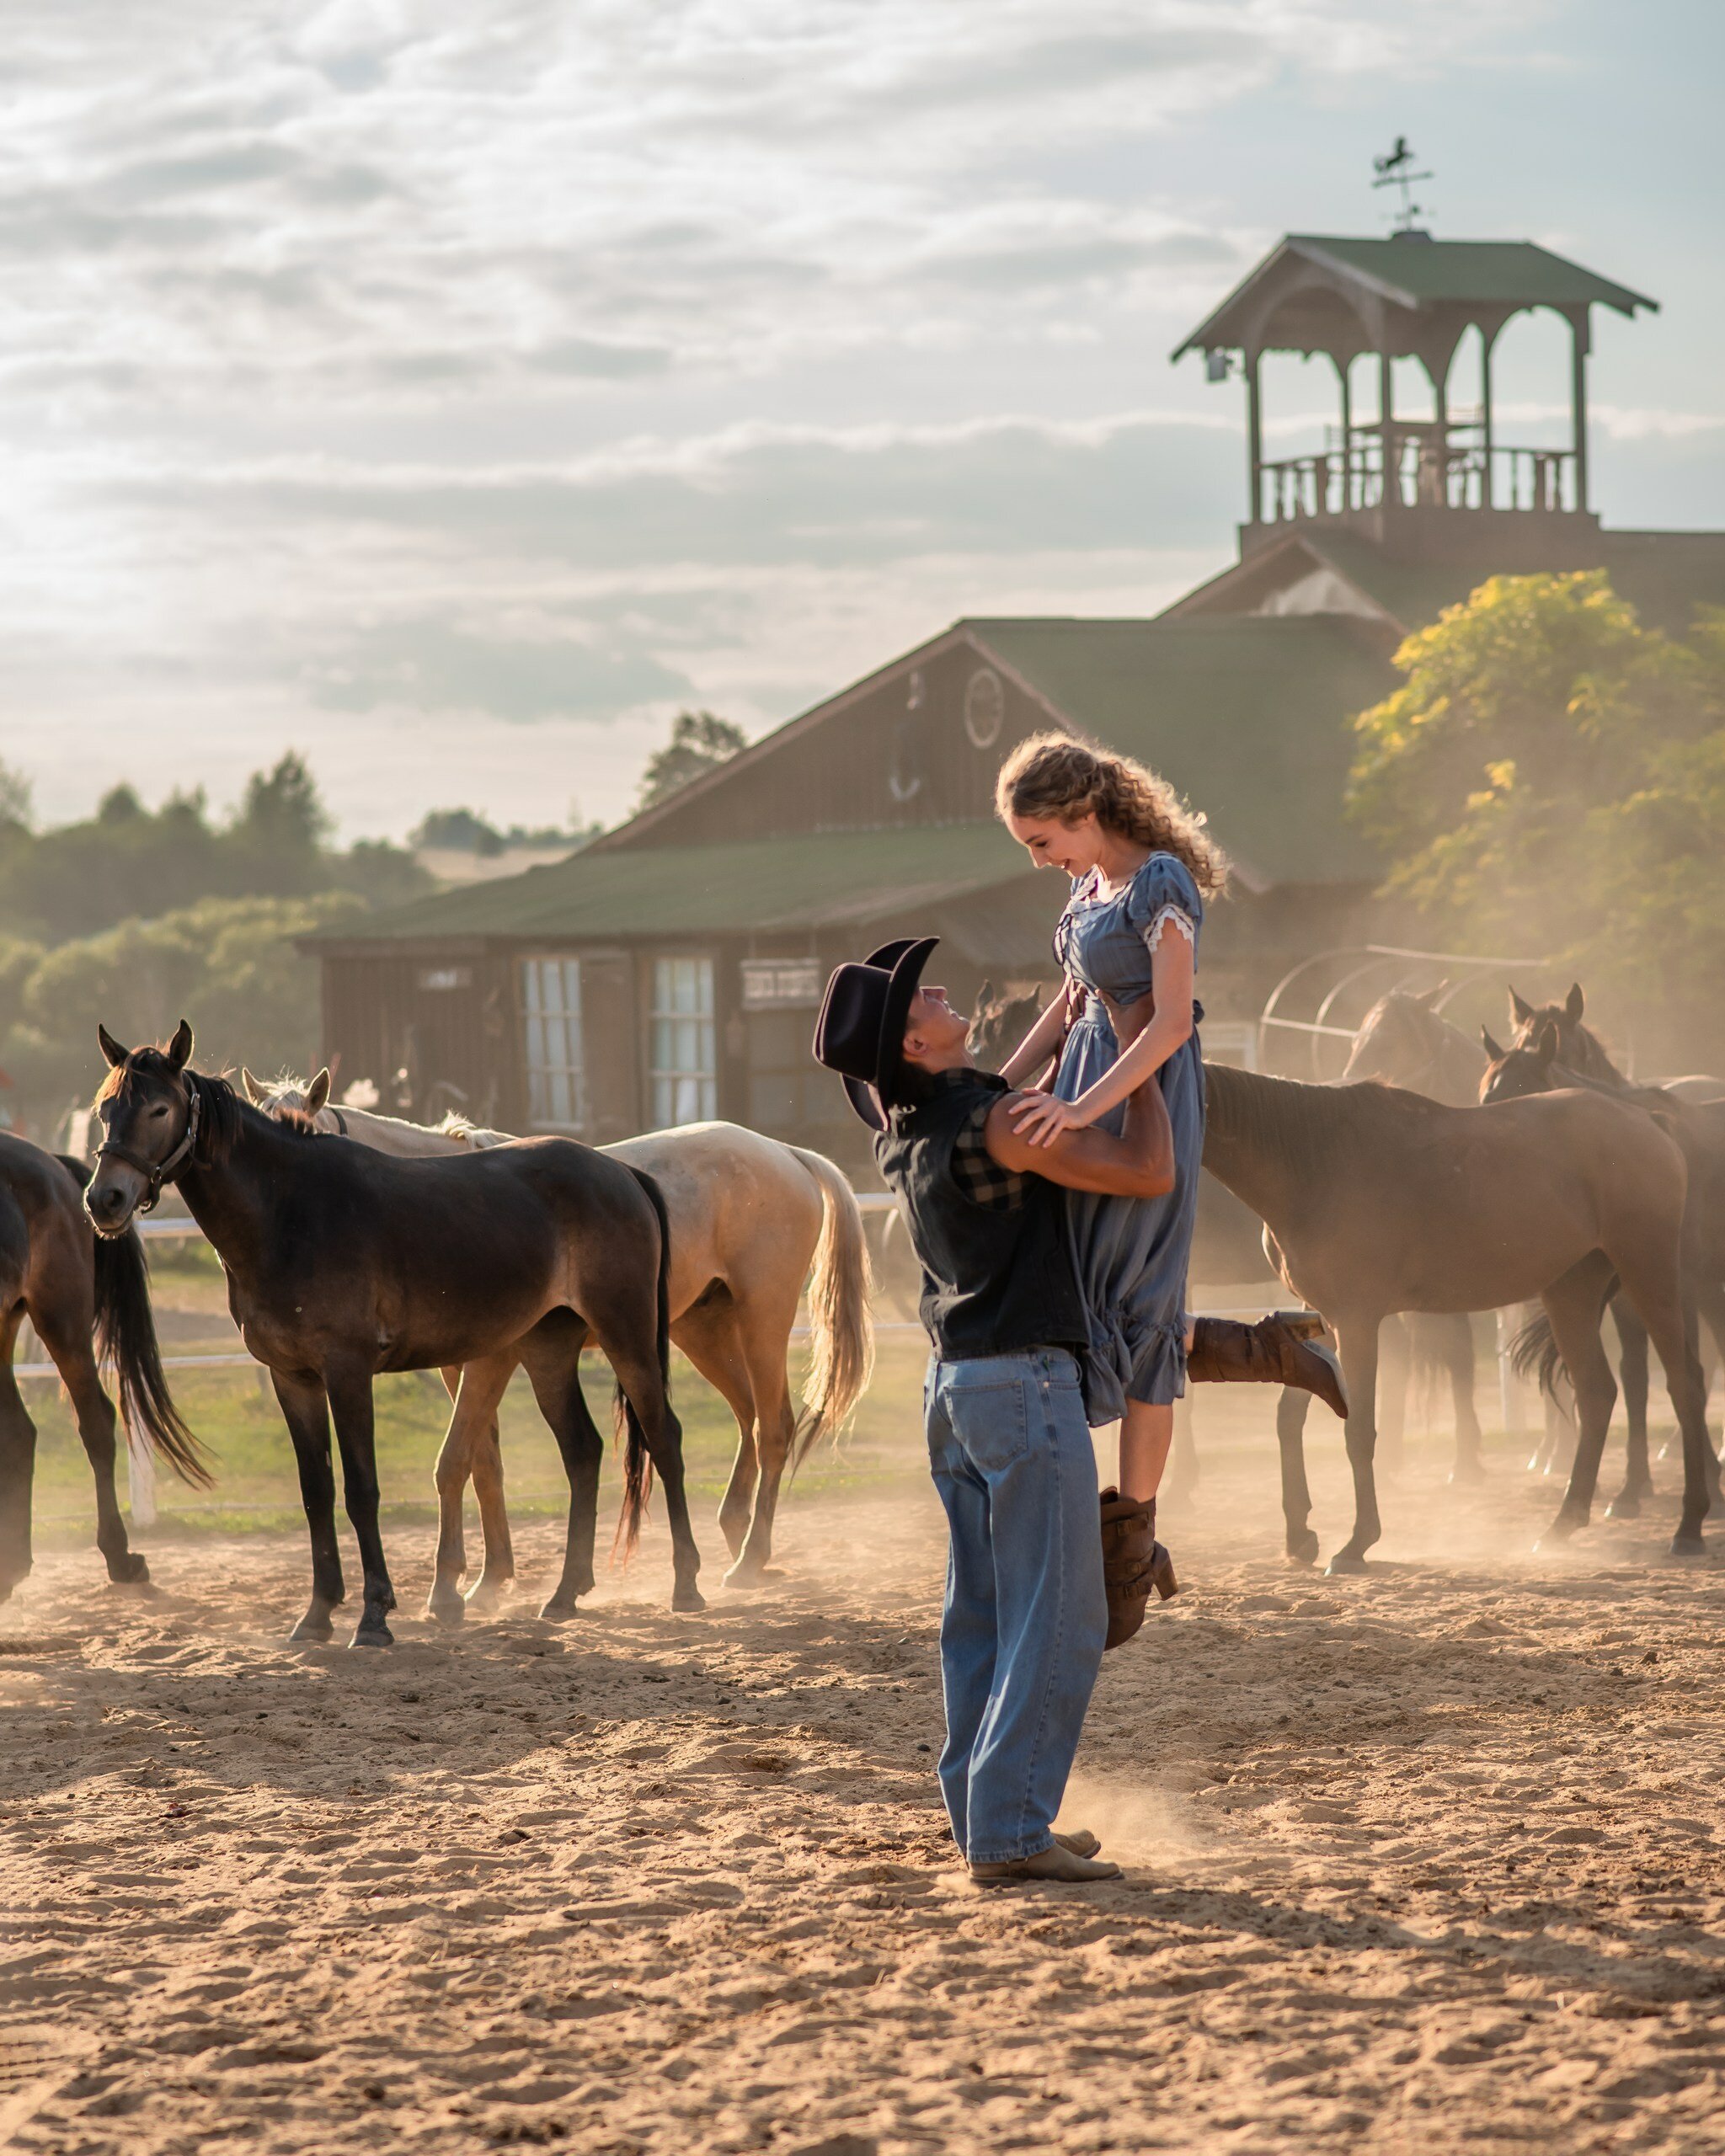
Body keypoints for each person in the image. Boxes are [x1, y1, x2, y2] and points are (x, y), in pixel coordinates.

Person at [812, 938, 1341, 1886]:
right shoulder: (1000, 1125)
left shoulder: (908, 1129)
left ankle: (984, 1813)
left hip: (954, 1391)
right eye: (919, 997)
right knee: (1059, 1612)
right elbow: (1149, 1170)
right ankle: (1014, 1831)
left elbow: (998, 1094)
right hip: (1021, 1388)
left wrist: (1062, 1022)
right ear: (915, 1047)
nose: (938, 989)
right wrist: (1137, 1055)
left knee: (979, 1615)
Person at [996, 732, 1347, 1646]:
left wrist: (1082, 1110)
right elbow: (1070, 1001)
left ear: (1083, 813)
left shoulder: (1160, 884)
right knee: (1079, 1298)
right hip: (1081, 1090)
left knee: (1141, 1306)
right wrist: (998, 1085)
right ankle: (1269, 1349)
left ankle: (1130, 1545)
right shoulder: (1087, 886)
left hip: (1143, 1098)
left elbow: (1170, 1024)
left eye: (1042, 841)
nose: (1039, 860)